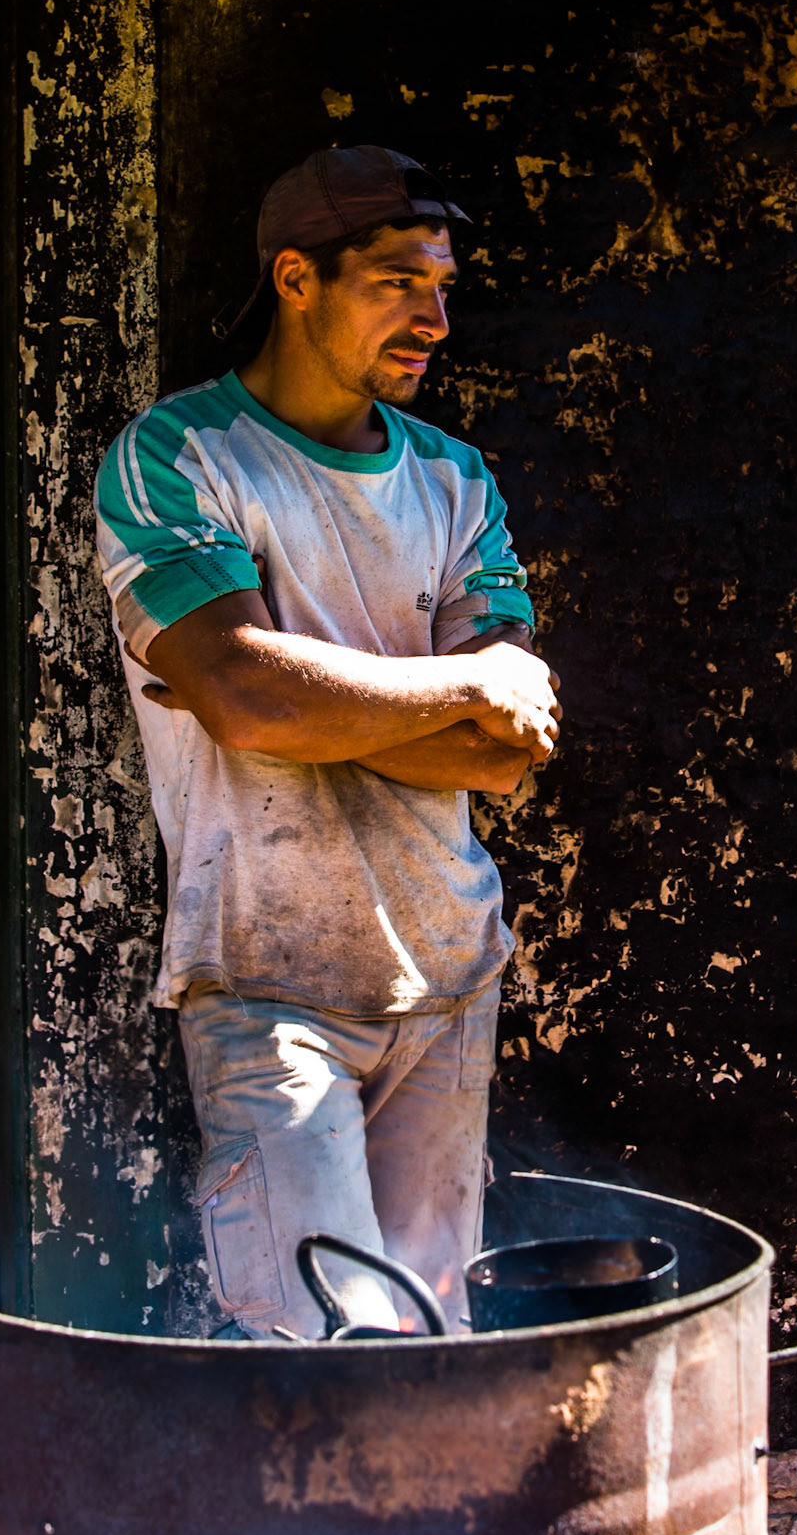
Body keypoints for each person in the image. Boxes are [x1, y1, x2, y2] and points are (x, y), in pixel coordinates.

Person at [94, 144, 560, 1339]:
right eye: (399, 280)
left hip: (449, 974)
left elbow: (502, 753)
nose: (435, 318)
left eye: (443, 285)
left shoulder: (456, 481)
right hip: (267, 986)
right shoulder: (178, 459)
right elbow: (244, 693)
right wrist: (459, 681)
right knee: (328, 1351)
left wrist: (314, 703)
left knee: (436, 1341)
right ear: (297, 276)